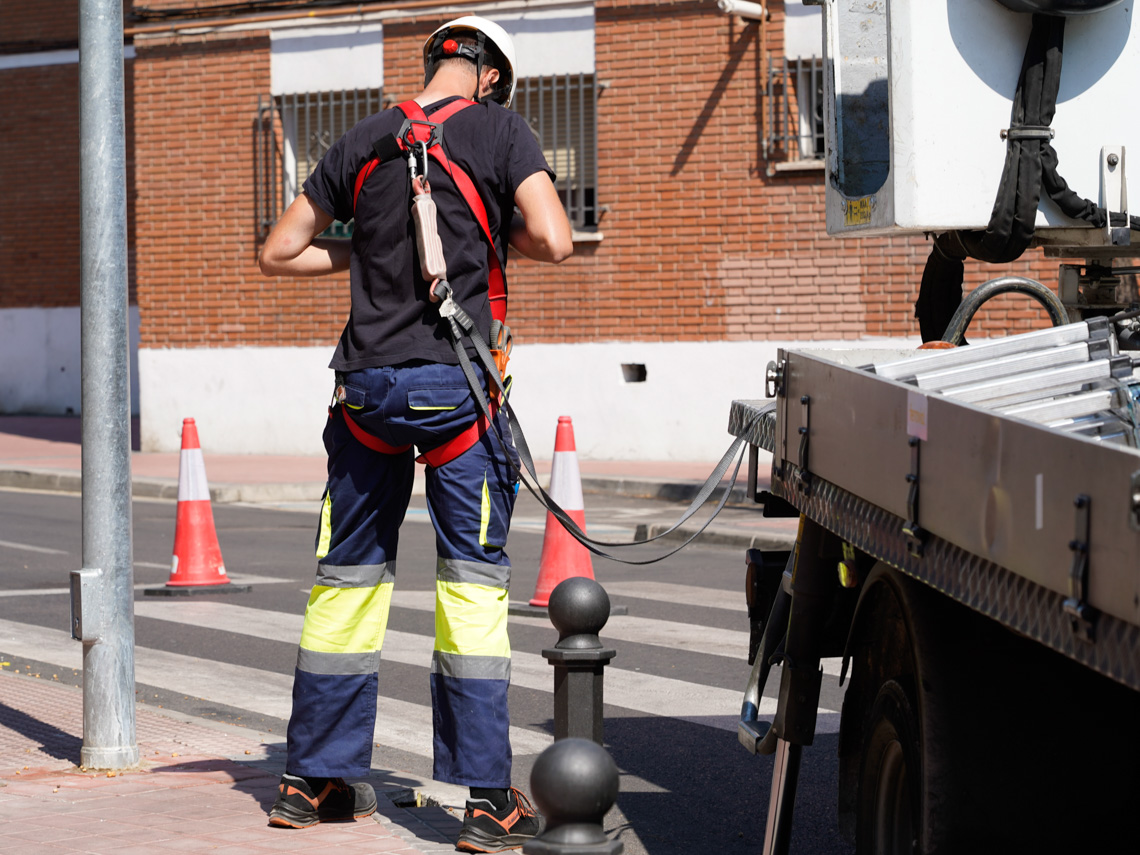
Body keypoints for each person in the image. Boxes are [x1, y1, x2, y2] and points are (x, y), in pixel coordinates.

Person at [257, 15, 573, 853]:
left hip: (364, 392)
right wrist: (491, 225)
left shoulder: (363, 136)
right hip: (455, 396)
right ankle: (484, 801)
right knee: (470, 589)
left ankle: (312, 777)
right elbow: (556, 238)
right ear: (492, 76)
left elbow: (279, 251)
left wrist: (363, 256)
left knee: (346, 583)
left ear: (434, 63)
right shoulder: (503, 130)